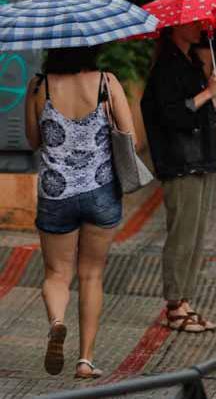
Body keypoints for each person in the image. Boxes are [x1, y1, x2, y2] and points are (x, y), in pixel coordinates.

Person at [24, 46, 132, 380]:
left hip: (56, 191)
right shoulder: (106, 82)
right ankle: (85, 361)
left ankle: (57, 322)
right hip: (100, 190)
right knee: (92, 275)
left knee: (57, 274)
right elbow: (131, 137)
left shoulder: (39, 85)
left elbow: (33, 140)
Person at [141, 22, 216, 336]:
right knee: (182, 235)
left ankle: (186, 301)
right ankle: (174, 305)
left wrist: (211, 98)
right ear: (176, 28)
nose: (200, 27)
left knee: (196, 234)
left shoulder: (192, 61)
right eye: (193, 23)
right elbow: (173, 114)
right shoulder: (166, 67)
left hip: (200, 157)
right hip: (180, 161)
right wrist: (207, 93)